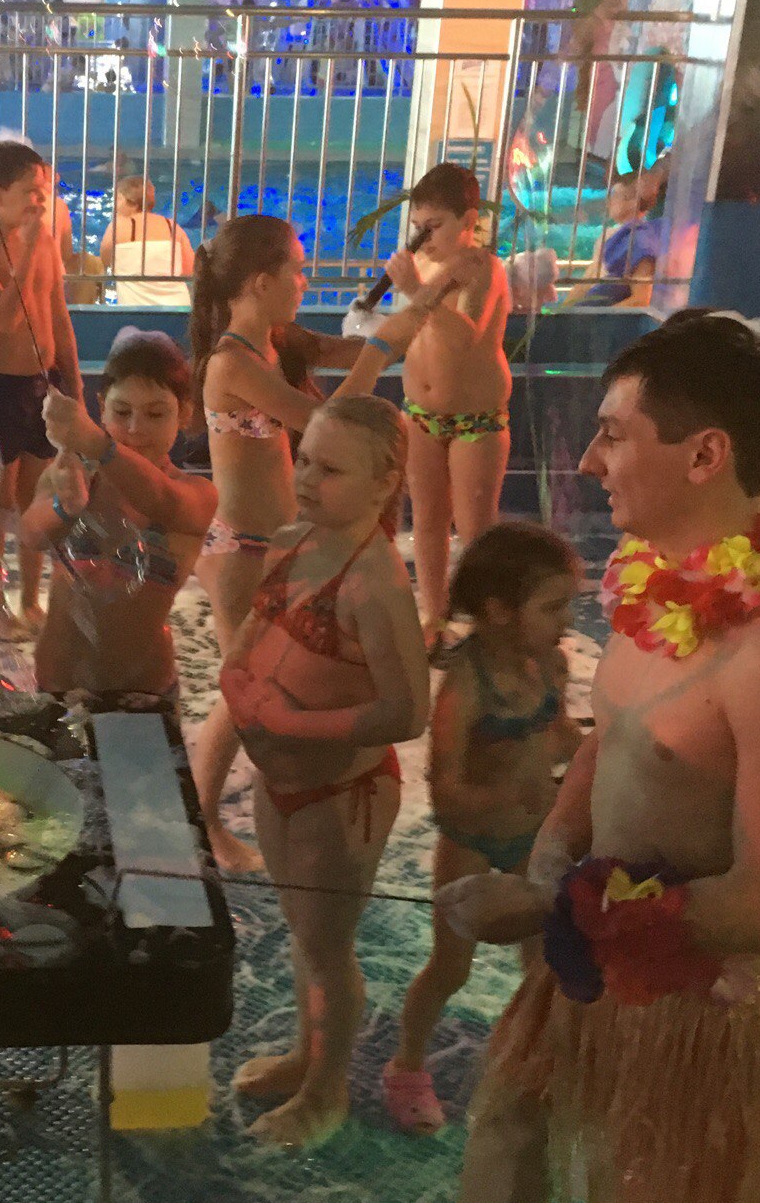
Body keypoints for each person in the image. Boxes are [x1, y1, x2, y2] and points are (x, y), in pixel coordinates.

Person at [368, 310, 760, 1203]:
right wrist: (548, 863)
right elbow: (611, 743)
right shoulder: (652, 580)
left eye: (612, 434)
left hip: (705, 999)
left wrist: (559, 910)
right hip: (597, 938)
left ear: (703, 455)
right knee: (511, 1116)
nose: (589, 460)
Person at [219, 395, 431, 1147]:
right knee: (305, 934)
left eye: (330, 470)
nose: (306, 478)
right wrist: (236, 674)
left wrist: (292, 724)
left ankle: (326, 1089)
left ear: (384, 484)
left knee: (328, 948)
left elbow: (408, 712)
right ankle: (305, 1056)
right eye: (304, 459)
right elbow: (255, 623)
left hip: (341, 795)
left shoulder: (376, 584)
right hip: (281, 783)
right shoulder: (292, 540)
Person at [381, 523, 581, 1135]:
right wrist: (505, 796)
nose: (568, 620)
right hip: (471, 841)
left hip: (532, 837)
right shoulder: (465, 688)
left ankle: (533, 1064)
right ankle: (406, 1066)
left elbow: (559, 734)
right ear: (498, 611)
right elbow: (444, 790)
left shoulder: (548, 664)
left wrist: (597, 758)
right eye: (553, 607)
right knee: (451, 968)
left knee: (543, 966)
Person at [187, 214, 365, 872]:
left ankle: (280, 806)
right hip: (241, 551)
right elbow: (324, 423)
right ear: (262, 282)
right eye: (298, 270)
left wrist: (412, 314)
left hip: (275, 547)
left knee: (274, 690)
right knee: (245, 697)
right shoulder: (232, 361)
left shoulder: (276, 341)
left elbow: (348, 351)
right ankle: (205, 822)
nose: (305, 281)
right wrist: (382, 351)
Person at [341, 164, 515, 635]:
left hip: (475, 420)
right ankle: (435, 616)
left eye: (434, 226)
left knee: (475, 529)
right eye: (417, 226)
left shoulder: (482, 269)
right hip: (420, 414)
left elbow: (465, 338)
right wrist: (366, 333)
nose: (423, 237)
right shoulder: (427, 268)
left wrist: (416, 291)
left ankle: (486, 625)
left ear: (468, 221)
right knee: (428, 523)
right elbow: (408, 332)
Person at [28, 330, 217, 696]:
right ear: (101, 407)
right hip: (57, 682)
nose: (135, 429)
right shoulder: (72, 473)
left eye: (155, 414)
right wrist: (64, 505)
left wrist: (97, 443)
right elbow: (31, 534)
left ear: (185, 412)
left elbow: (161, 501)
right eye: (122, 412)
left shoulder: (197, 494)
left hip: (142, 691)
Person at [0, 139, 85, 638]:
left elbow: (57, 314)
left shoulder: (43, 239)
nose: (40, 201)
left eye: (43, 190)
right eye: (30, 191)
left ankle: (30, 601)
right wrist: (25, 250)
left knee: (36, 498)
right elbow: (4, 318)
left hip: (41, 385)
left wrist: (75, 386)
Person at [567, 174, 664, 309]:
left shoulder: (641, 242)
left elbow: (642, 299)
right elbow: (586, 281)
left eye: (616, 195)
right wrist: (563, 312)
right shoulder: (611, 236)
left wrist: (597, 316)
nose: (610, 201)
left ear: (633, 202)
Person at [99, 176, 193, 308]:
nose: (115, 206)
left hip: (136, 309)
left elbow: (106, 261)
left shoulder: (118, 227)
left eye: (117, 199)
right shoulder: (173, 227)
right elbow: (189, 269)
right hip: (177, 308)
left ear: (127, 200)